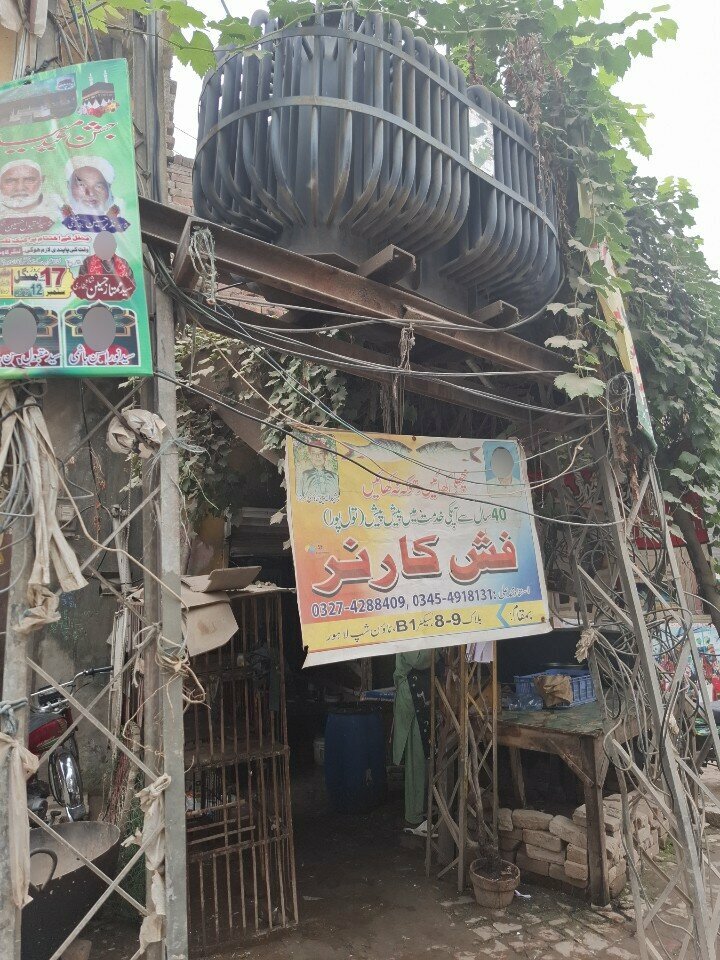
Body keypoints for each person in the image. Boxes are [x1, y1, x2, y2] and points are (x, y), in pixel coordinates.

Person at [393, 650, 433, 829]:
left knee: (423, 754)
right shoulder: (406, 634)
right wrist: (440, 649)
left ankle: (423, 808)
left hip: (421, 694)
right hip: (411, 696)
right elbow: (418, 660)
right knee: (415, 757)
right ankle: (414, 815)